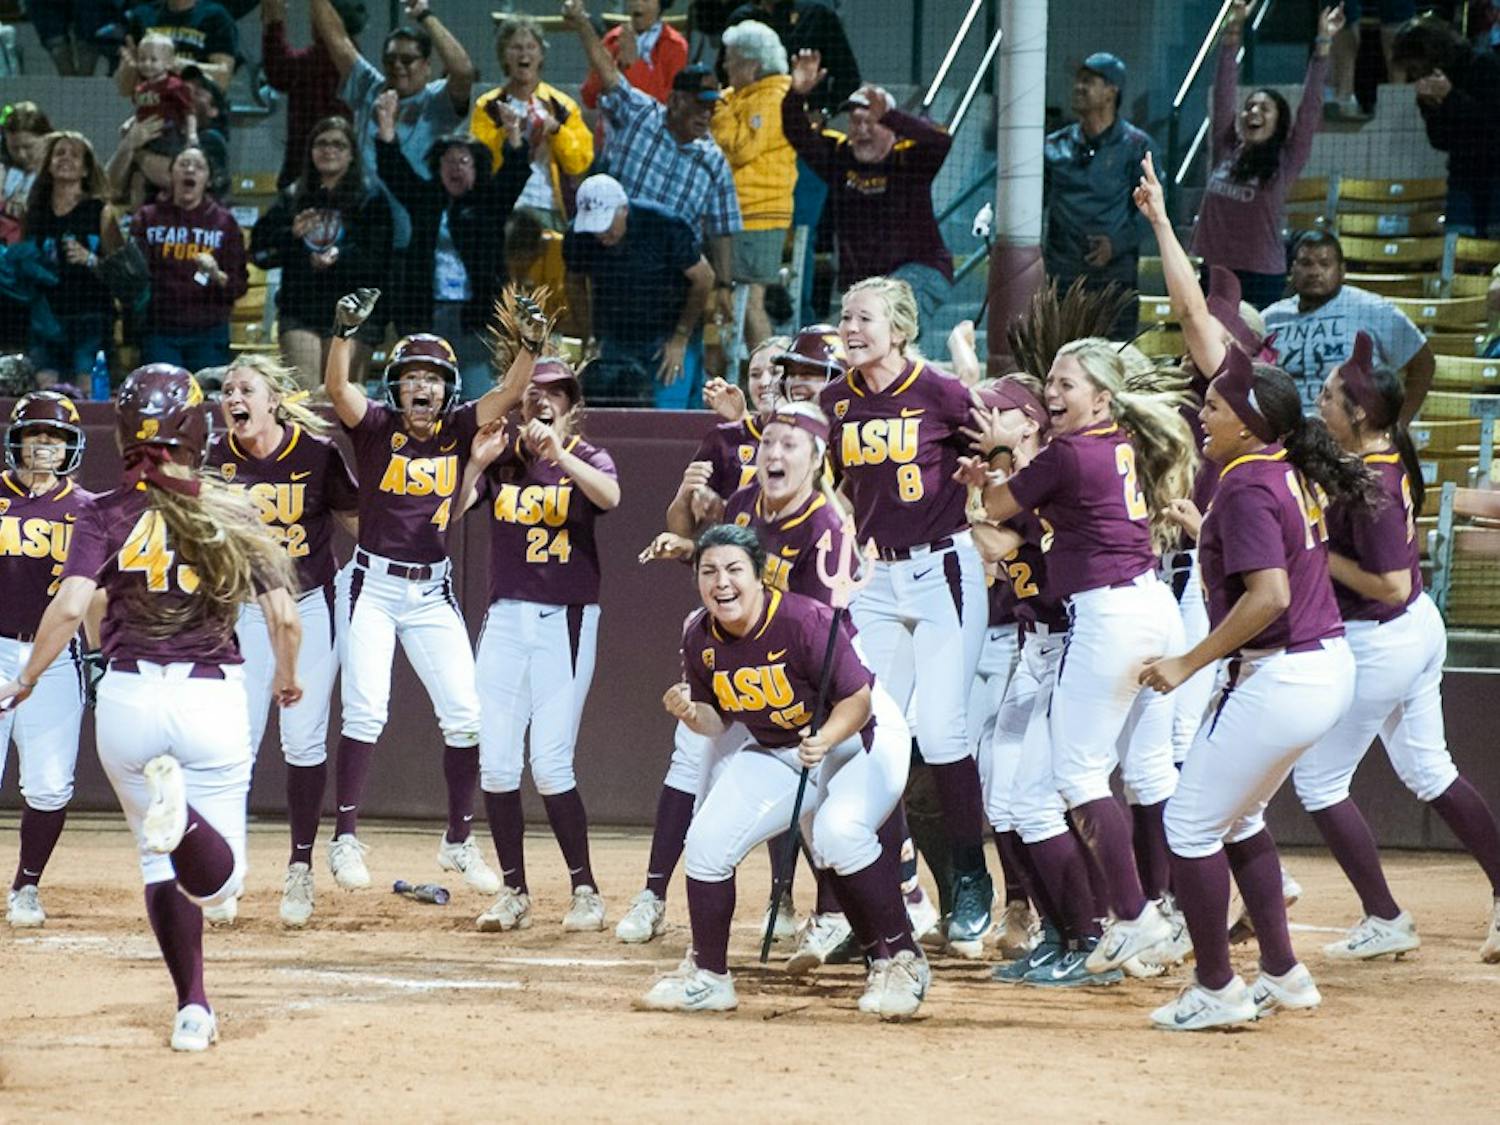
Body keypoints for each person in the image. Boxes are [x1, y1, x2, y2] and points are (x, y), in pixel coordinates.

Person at [0, 363, 301, 1051]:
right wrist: (287, 677)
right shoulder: (231, 506)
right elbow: (285, 616)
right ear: (196, 430)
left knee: (157, 865)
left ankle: (193, 1006)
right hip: (208, 694)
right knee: (219, 886)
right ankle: (184, 817)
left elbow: (70, 607)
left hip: (128, 698)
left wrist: (28, 677)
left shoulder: (102, 510)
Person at [1135, 346, 1367, 1030]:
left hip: (1283, 671)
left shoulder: (1243, 483)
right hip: (1320, 665)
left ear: (1247, 421)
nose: (1200, 416)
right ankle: (1283, 972)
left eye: (1212, 406)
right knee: (1238, 818)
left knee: (1189, 826)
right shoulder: (1278, 468)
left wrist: (1188, 662)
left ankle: (1216, 987)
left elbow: (1269, 596)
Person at [964, 330, 1197, 983]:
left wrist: (996, 459)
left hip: (1107, 616)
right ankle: (1151, 912)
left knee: (1079, 774)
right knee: (1140, 771)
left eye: (1066, 383)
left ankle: (1133, 915)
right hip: (1152, 606)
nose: (1052, 393)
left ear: (1102, 396)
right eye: (1051, 383)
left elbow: (996, 506)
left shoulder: (1068, 451)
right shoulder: (1123, 440)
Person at [644, 521, 926, 1019]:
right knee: (706, 843)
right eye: (709, 571)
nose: (722, 582)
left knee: (839, 833)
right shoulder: (699, 635)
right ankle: (710, 978)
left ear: (760, 576)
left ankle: (903, 958)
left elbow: (857, 700)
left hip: (859, 737)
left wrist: (827, 738)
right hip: (782, 746)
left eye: (734, 570)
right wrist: (691, 712)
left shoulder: (803, 620)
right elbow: (717, 720)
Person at [318, 287, 540, 896]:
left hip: (432, 589)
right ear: (396, 386)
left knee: (467, 716)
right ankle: (344, 838)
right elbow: (337, 388)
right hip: (372, 583)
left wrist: (531, 344)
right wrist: (343, 332)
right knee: (367, 708)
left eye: (434, 379)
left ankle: (458, 841)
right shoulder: (377, 427)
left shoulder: (461, 427)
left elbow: (511, 392)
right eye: (413, 377)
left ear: (448, 389)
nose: (424, 387)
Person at [1292, 331, 1500, 965]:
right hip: (1408, 631)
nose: (1319, 401)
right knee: (1429, 770)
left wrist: (1316, 555)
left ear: (1360, 413)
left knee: (1318, 780)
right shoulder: (1376, 456)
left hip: (1383, 637)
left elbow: (1390, 584)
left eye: (1330, 396)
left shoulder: (1376, 483)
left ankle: (1385, 916)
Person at [819, 276, 995, 957]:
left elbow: (997, 449)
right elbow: (833, 483)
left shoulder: (940, 391)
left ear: (899, 329)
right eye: (844, 316)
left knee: (943, 730)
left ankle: (971, 879)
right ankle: (873, 901)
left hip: (941, 567)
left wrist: (988, 478)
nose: (850, 327)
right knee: (870, 733)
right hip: (876, 574)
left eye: (863, 317)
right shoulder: (836, 400)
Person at [455, 357, 620, 934]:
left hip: (564, 619)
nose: (543, 401)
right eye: (532, 393)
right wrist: (475, 465)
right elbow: (450, 512)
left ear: (572, 406)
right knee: (497, 763)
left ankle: (585, 890)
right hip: (505, 616)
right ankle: (514, 892)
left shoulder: (587, 456)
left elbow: (610, 497)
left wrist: (560, 456)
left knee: (550, 764)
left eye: (556, 393)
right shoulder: (502, 459)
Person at [205, 355, 360, 929]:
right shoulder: (214, 457)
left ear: (273, 400)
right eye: (227, 390)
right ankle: (225, 873)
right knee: (234, 746)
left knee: (303, 739)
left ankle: (300, 867)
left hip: (309, 604)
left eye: (246, 389)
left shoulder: (317, 454)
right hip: (242, 610)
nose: (233, 398)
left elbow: (357, 521)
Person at [564, 1, 742, 304]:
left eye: (711, 106)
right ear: (675, 101)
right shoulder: (641, 115)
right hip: (616, 263)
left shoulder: (713, 160)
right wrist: (582, 23)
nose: (706, 114)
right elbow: (608, 75)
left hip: (670, 282)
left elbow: (722, 229)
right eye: (699, 104)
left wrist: (724, 285)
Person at [782, 54, 953, 354]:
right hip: (866, 285)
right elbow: (797, 132)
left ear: (890, 127)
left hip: (922, 271)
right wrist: (796, 95)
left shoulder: (910, 157)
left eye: (871, 121)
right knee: (848, 347)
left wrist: (891, 115)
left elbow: (941, 140)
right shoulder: (838, 157)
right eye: (855, 121)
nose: (861, 130)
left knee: (886, 314)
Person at [1, 392, 92, 929]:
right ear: (15, 440)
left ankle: (26, 885)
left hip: (54, 652)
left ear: (71, 446)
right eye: (34, 433)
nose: (43, 443)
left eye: (55, 435)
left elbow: (97, 595)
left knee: (50, 783)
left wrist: (100, 654)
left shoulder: (88, 508)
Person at [376, 95, 532, 399]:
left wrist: (513, 131)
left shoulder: (491, 202)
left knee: (478, 399)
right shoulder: (425, 200)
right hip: (427, 313)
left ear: (476, 167)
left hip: (477, 319)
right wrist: (386, 123)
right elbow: (393, 170)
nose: (455, 168)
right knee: (424, 395)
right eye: (448, 161)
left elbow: (515, 171)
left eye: (463, 161)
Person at [1190, 3, 1342, 309]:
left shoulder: (1287, 159)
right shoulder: (1226, 147)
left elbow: (1310, 109)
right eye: (1249, 106)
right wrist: (1233, 31)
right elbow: (1223, 93)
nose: (1253, 111)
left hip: (1260, 277)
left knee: (1256, 342)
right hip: (1215, 271)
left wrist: (1323, 44)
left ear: (1279, 122)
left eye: (1264, 108)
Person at [313, 0, 476, 254]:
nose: (397, 66)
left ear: (427, 66)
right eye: (390, 60)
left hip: (417, 239)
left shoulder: (438, 100)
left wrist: (424, 15)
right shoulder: (369, 87)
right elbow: (337, 39)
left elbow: (463, 71)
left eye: (407, 60)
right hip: (365, 234)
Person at [253, 117, 394, 390]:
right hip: (301, 308)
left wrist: (340, 257)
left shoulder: (371, 197)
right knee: (305, 398)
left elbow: (378, 258)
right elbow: (260, 251)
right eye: (322, 143)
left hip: (351, 311)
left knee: (338, 396)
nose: (329, 150)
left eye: (338, 145)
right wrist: (292, 235)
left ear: (352, 154)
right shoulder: (292, 195)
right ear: (311, 151)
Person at [562, 174, 714, 408]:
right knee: (615, 411)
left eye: (606, 225)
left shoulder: (664, 225)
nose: (601, 235)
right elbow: (574, 282)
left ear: (624, 210)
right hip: (615, 336)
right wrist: (588, 334)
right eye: (594, 228)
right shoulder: (578, 236)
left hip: (669, 333)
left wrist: (680, 338)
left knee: (669, 415)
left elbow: (704, 278)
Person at [1042, 52, 1160, 339]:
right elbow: (1034, 205)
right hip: (1063, 277)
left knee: (1113, 355)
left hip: (1114, 279)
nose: (1078, 87)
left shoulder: (1137, 145)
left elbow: (1153, 209)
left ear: (1111, 91)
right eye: (1078, 81)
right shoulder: (1053, 145)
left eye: (1088, 81)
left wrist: (1116, 245)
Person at [1262, 230, 1434, 420]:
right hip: (1288, 431)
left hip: (1353, 431)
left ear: (1341, 270)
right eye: (1306, 263)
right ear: (1293, 269)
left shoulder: (1372, 309)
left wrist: (1399, 424)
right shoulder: (1270, 319)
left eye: (1324, 264)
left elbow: (1423, 363)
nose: (1314, 272)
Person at [712, 19, 795, 353]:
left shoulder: (773, 99)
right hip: (738, 213)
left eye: (732, 59)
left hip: (758, 215)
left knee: (750, 301)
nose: (725, 66)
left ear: (753, 65)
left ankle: (769, 372)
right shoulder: (741, 97)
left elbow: (741, 149)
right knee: (736, 301)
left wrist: (719, 113)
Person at [468, 16, 595, 234]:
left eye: (531, 47)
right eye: (516, 47)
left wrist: (556, 130)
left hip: (549, 209)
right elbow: (480, 163)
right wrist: (509, 134)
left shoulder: (562, 106)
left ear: (541, 54)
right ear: (504, 55)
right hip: (503, 208)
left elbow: (579, 164)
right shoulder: (488, 107)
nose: (524, 54)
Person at [133, 146, 247, 371]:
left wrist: (215, 273)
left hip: (209, 330)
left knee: (206, 392)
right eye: (183, 164)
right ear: (171, 174)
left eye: (199, 166)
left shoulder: (225, 223)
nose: (190, 170)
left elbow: (239, 285)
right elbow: (134, 277)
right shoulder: (147, 218)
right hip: (159, 330)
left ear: (208, 179)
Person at [1390, 13, 1500, 238]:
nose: (1412, 75)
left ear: (1430, 54)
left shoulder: (1484, 65)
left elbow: (1491, 128)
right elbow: (1439, 140)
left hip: (1495, 180)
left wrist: (1450, 97)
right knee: (1456, 248)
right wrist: (1433, 107)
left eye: (1414, 66)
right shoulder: (1430, 85)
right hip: (1463, 179)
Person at [24, 132, 115, 386]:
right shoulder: (34, 212)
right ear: (49, 164)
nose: (65, 158)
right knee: (45, 389)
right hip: (47, 318)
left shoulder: (100, 212)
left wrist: (90, 259)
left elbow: (119, 270)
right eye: (59, 153)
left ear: (85, 170)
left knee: (87, 385)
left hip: (91, 315)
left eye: (74, 155)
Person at [262, 0, 362, 189]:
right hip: (340, 169)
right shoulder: (354, 56)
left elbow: (279, 72)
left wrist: (274, 20)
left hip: (309, 172)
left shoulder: (326, 57)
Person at [1, 103, 54, 351]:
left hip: (40, 263)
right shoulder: (5, 172)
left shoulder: (57, 175)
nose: (22, 155)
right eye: (15, 148)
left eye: (29, 147)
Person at [580, 1, 689, 115]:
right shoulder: (612, 39)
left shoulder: (675, 46)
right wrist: (614, 66)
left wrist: (634, 66)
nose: (638, 3)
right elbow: (589, 99)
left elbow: (665, 107)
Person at [119, 0, 238, 96]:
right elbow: (124, 89)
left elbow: (222, 80)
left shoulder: (216, 17)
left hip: (197, 109)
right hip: (154, 108)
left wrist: (179, 65)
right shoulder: (143, 16)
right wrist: (130, 66)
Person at [125, 32, 198, 161]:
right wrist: (130, 123)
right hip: (143, 136)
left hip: (167, 135)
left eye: (153, 60)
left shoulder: (175, 86)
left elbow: (189, 112)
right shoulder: (140, 89)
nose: (147, 64)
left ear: (169, 63)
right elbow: (142, 111)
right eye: (142, 59)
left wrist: (192, 133)